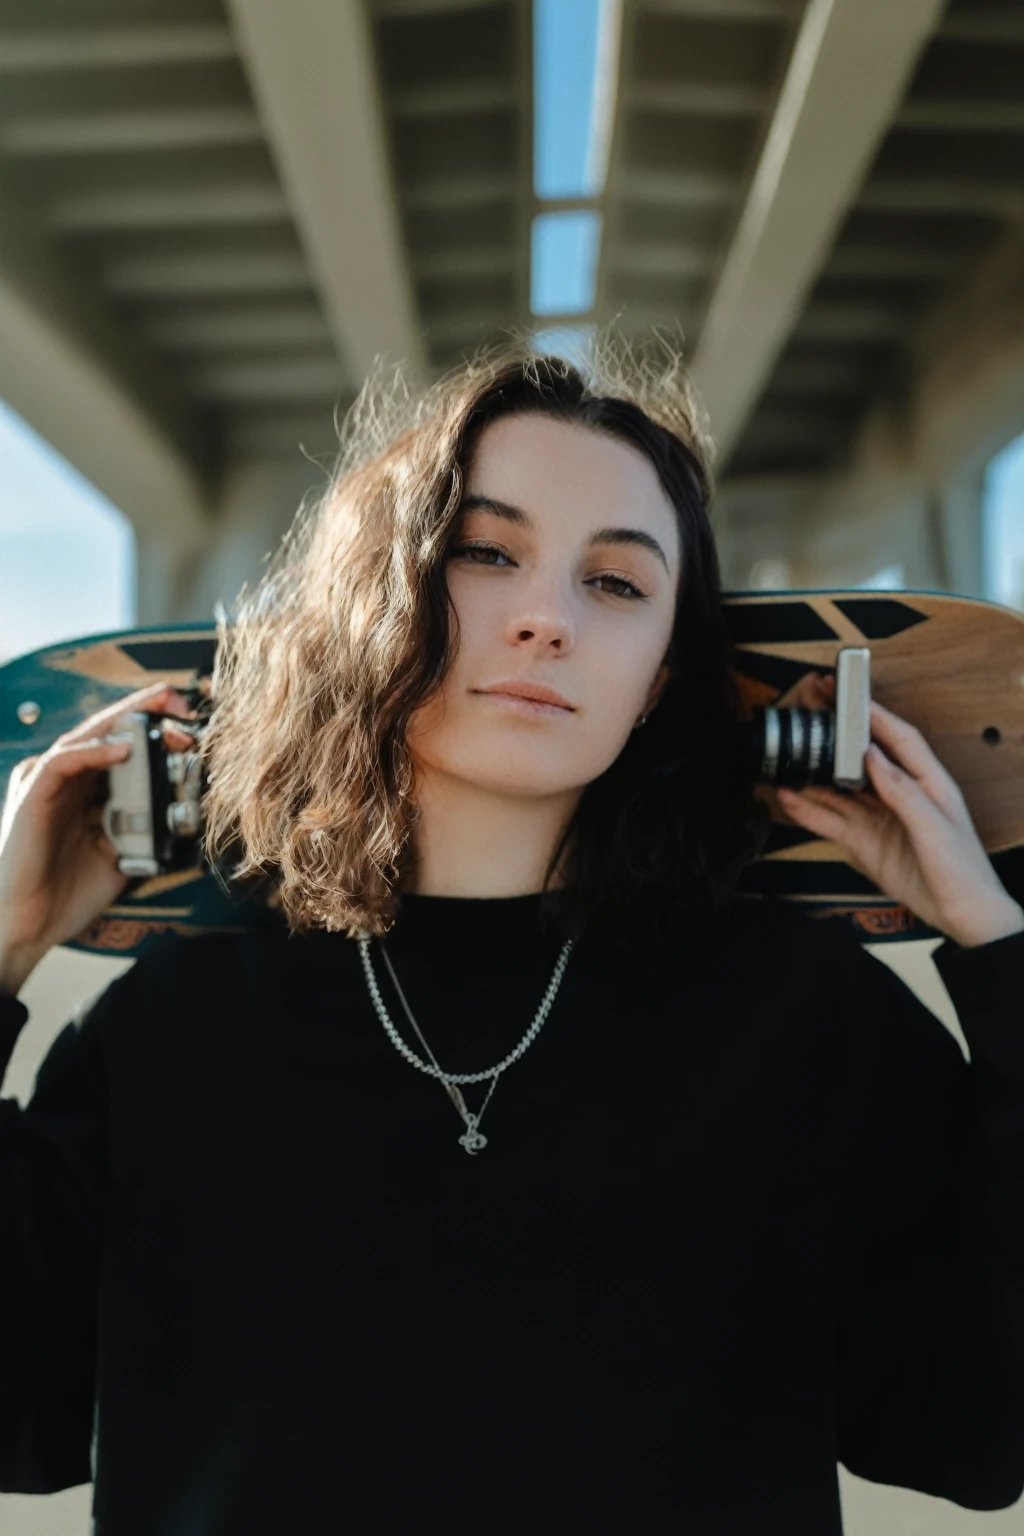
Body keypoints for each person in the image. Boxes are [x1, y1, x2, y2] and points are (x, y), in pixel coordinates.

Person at [0, 342, 1022, 1535]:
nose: (547, 620)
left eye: (619, 585)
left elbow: (978, 1434)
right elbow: (19, 1422)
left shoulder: (806, 1012)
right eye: (485, 553)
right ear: (370, 597)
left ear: (655, 681)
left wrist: (994, 949)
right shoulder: (170, 1027)